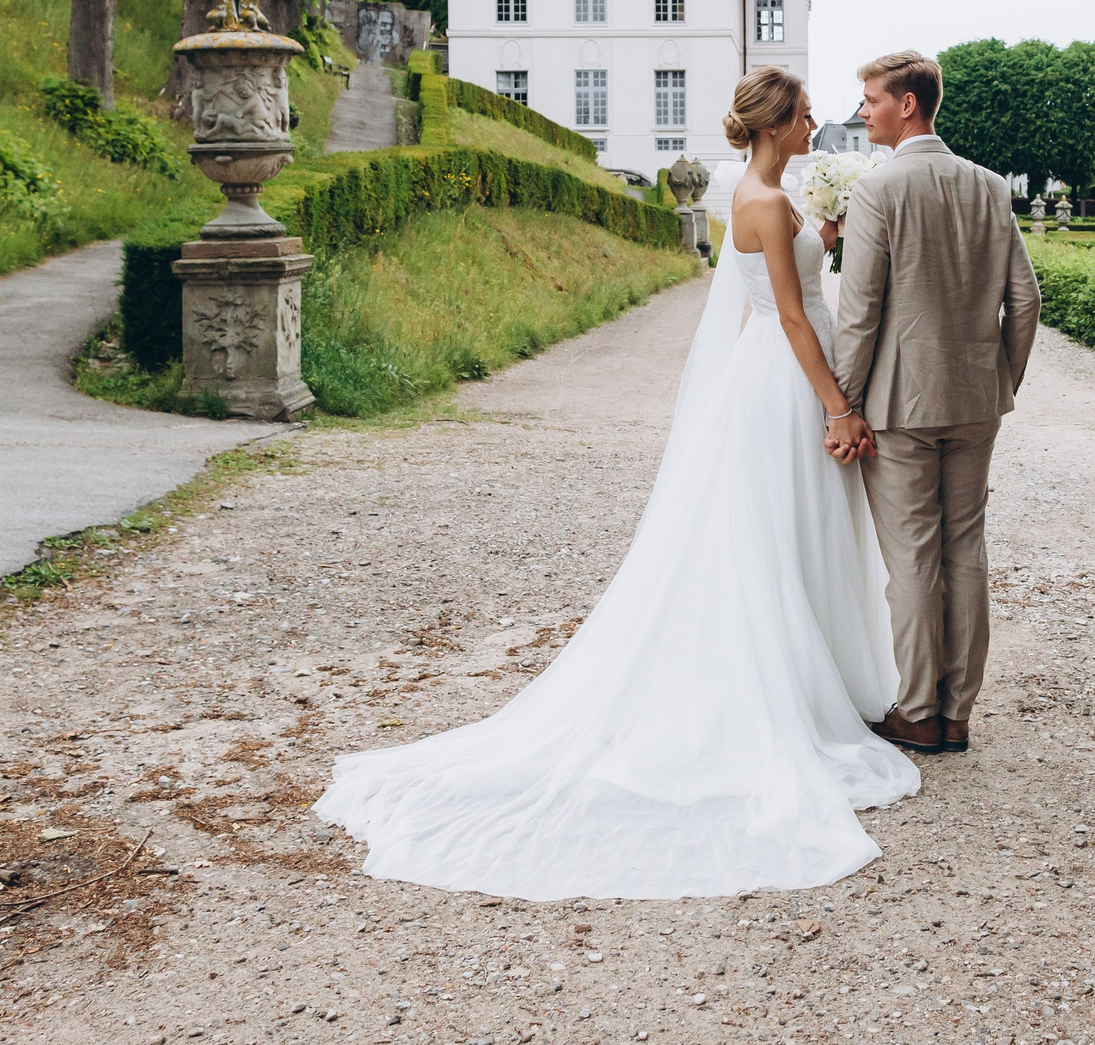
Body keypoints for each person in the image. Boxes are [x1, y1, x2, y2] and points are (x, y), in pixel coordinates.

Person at [313, 67, 916, 900]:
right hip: (787, 378)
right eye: (806, 115)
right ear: (775, 123)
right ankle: (792, 693)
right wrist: (837, 407)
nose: (817, 126)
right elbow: (785, 315)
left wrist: (829, 232)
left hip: (777, 373)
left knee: (792, 528)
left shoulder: (767, 197)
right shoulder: (762, 202)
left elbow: (784, 294)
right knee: (782, 531)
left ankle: (823, 680)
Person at [822, 50, 1041, 756]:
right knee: (965, 550)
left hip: (899, 406)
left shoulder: (879, 190)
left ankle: (917, 713)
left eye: (871, 100)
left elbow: (860, 312)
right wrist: (999, 381)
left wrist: (843, 406)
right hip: (976, 401)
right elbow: (1025, 300)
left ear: (907, 104)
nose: (863, 112)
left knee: (914, 559)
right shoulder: (990, 186)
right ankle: (957, 714)